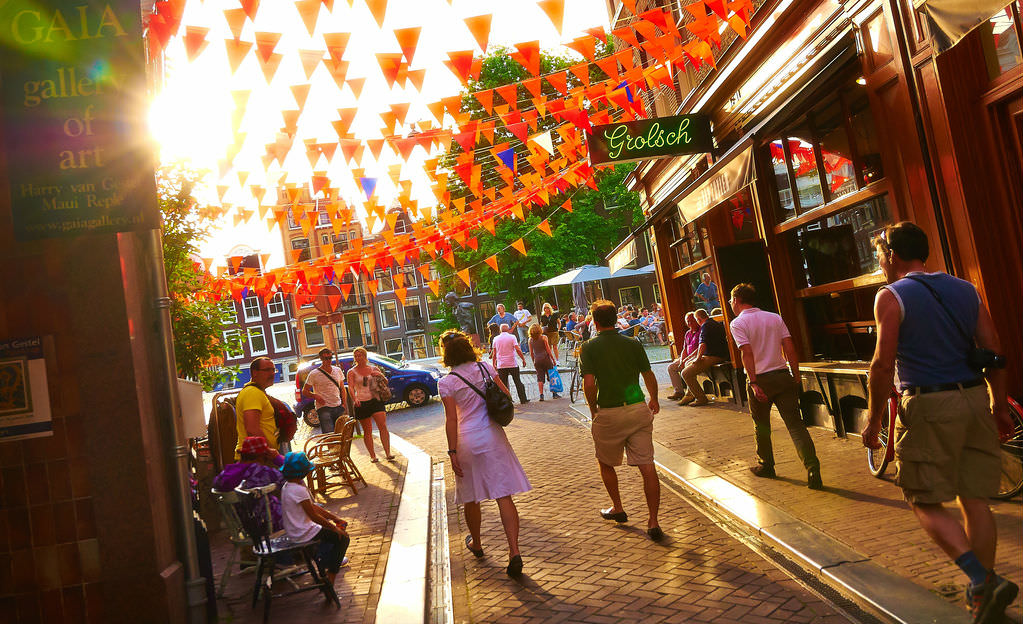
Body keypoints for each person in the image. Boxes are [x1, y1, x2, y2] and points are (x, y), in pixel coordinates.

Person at [861, 222, 1016, 623]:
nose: (880, 262)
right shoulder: (966, 289)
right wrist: (999, 405)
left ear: (891, 256)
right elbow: (994, 348)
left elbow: (882, 364)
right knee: (975, 499)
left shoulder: (890, 296)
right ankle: (983, 595)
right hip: (974, 399)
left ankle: (983, 578)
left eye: (880, 255)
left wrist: (875, 420)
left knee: (922, 499)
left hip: (929, 406)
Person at [439, 330, 531, 577]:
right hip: (492, 436)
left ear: (446, 354)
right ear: (469, 349)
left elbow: (451, 420)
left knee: (471, 497)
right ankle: (514, 551)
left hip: (467, 440)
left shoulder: (447, 382)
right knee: (504, 495)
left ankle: (477, 544)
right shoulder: (486, 368)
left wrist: (452, 451)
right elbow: (507, 396)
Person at [581, 300, 662, 541]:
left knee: (605, 462)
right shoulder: (633, 343)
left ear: (595, 322)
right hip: (637, 408)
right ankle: (653, 520)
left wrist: (593, 408)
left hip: (609, 411)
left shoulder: (589, 347)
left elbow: (589, 384)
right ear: (616, 319)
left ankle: (617, 507)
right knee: (648, 467)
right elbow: (648, 374)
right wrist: (654, 399)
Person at [729, 283, 823, 490]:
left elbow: (747, 353)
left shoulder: (737, 323)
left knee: (761, 425)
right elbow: (789, 346)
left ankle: (766, 465)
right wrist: (795, 376)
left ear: (736, 300)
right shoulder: (774, 317)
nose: (730, 304)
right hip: (782, 375)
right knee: (796, 425)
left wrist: (753, 382)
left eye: (730, 301)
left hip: (760, 378)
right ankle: (812, 468)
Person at [279, 452, 351, 586]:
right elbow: (313, 515)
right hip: (303, 532)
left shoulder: (287, 487)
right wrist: (334, 527)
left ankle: (325, 559)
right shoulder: (298, 489)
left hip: (297, 530)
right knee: (343, 538)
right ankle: (330, 575)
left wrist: (334, 518)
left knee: (330, 532)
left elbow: (313, 507)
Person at [214, 436, 285, 527]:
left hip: (241, 524)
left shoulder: (226, 472)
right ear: (262, 456)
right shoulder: (259, 472)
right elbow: (292, 476)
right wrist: (278, 458)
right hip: (265, 522)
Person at [347, 347, 395, 463]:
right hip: (361, 402)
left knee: (382, 426)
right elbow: (351, 387)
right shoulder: (351, 372)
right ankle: (373, 455)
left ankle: (388, 453)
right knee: (367, 430)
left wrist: (380, 375)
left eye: (360, 355)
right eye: (356, 356)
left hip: (375, 400)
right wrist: (355, 399)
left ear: (365, 356)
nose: (358, 358)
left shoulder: (373, 368)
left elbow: (385, 382)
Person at [676, 309, 729, 406]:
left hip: (715, 356)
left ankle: (700, 398)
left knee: (685, 373)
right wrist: (690, 359)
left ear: (698, 319)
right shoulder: (714, 323)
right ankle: (689, 394)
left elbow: (702, 344)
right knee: (688, 364)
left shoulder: (705, 326)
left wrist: (698, 358)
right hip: (718, 354)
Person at [235, 357, 280, 459]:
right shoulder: (252, 393)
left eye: (273, 370)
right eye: (267, 370)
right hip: (256, 458)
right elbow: (252, 428)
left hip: (259, 456)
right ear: (255, 373)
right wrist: (269, 450)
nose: (272, 373)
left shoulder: (257, 391)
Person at [302, 348, 348, 434]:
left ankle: (339, 448)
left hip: (338, 405)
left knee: (341, 434)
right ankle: (331, 447)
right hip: (323, 407)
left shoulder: (337, 370)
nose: (328, 360)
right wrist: (315, 396)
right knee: (329, 434)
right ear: (321, 359)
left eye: (330, 358)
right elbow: (305, 391)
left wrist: (344, 404)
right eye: (325, 358)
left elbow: (342, 388)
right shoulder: (314, 374)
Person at [666, 312, 701, 400]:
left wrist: (686, 360)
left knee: (687, 365)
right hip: (687, 357)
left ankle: (691, 394)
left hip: (696, 357)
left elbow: (700, 348)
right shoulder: (688, 333)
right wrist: (682, 360)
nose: (690, 324)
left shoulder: (701, 331)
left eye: (692, 321)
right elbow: (684, 349)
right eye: (688, 322)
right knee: (671, 367)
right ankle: (678, 392)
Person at [491, 324, 529, 404]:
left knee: (503, 384)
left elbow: (494, 353)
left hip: (501, 364)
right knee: (517, 381)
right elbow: (517, 349)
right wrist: (523, 359)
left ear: (500, 330)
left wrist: (494, 363)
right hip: (512, 363)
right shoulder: (512, 337)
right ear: (508, 329)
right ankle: (523, 399)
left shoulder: (496, 339)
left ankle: (506, 401)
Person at [528, 323, 560, 401]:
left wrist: (533, 361)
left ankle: (541, 395)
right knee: (551, 375)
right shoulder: (543, 337)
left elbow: (531, 353)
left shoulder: (530, 340)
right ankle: (554, 393)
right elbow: (548, 349)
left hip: (537, 360)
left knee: (540, 378)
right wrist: (553, 359)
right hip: (546, 359)